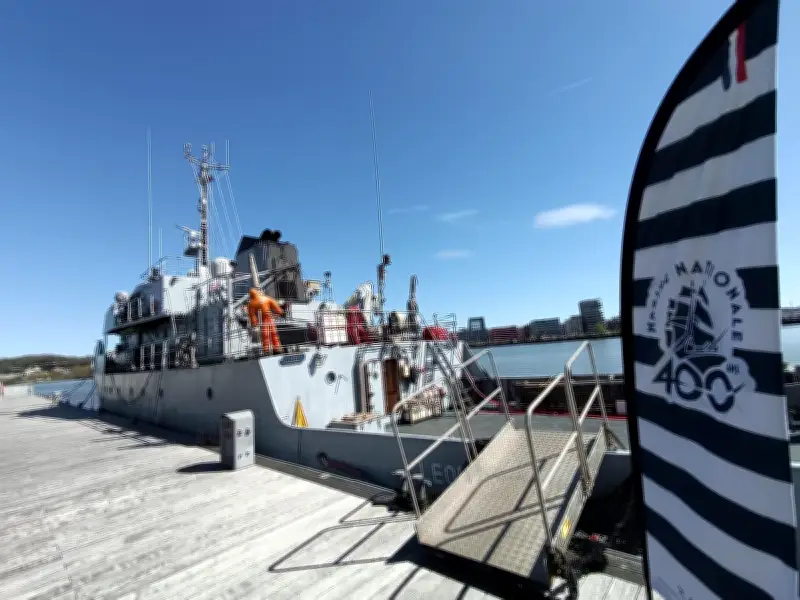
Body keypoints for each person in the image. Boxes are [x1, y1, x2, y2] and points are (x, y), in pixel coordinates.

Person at [247, 288, 284, 354]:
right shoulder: (266, 298)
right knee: (274, 334)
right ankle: (277, 349)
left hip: (262, 320)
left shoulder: (251, 303)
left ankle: (266, 350)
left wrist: (254, 324)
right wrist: (279, 313)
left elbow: (252, 315)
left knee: (265, 335)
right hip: (269, 318)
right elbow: (276, 307)